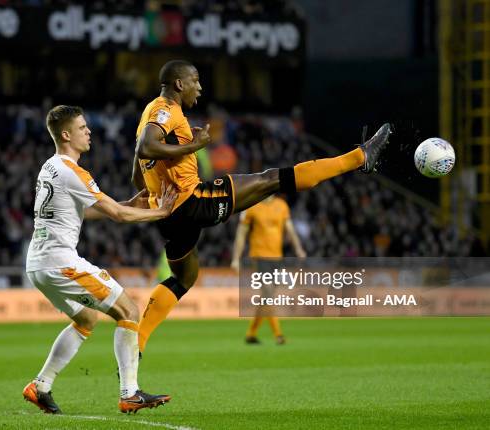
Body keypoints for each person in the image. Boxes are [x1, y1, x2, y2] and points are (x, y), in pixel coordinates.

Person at [131, 60, 392, 353]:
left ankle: (136, 344)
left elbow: (136, 170)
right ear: (179, 84)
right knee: (272, 179)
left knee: (185, 277)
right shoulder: (166, 110)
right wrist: (194, 147)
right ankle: (360, 158)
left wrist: (150, 196)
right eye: (195, 80)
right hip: (191, 202)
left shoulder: (150, 112)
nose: (200, 87)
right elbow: (146, 148)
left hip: (169, 215)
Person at [23, 105, 176, 415]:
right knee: (129, 310)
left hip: (38, 264)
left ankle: (41, 386)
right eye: (82, 128)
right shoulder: (73, 171)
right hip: (60, 262)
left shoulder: (49, 167)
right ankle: (129, 393)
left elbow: (88, 210)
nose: (89, 132)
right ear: (66, 135)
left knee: (87, 318)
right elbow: (118, 215)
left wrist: (128, 205)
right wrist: (161, 212)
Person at [231, 195, 306, 345]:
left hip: (276, 258)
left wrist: (298, 249)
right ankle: (278, 334)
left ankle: (251, 333)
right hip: (259, 257)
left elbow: (289, 229)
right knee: (268, 295)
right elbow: (241, 233)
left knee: (266, 299)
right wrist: (236, 258)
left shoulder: (282, 205)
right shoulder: (251, 205)